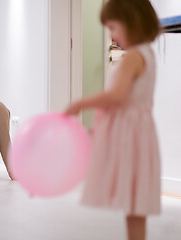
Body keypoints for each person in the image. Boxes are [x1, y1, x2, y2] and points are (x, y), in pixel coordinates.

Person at [64, 1, 161, 240]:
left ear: (133, 23)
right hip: (140, 131)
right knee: (135, 204)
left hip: (132, 135)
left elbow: (116, 96)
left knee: (134, 200)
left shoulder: (133, 58)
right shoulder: (147, 54)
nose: (111, 35)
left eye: (113, 27)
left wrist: (79, 104)